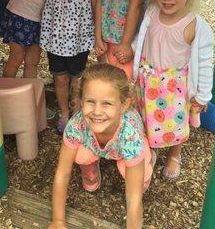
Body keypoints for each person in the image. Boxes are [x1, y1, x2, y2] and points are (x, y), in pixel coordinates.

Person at [133, 0, 213, 180]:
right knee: (148, 116)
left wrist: (203, 95)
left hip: (175, 88)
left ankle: (175, 153)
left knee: (177, 123)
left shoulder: (195, 25)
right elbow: (142, 39)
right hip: (148, 80)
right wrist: (130, 48)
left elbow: (204, 63)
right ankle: (152, 147)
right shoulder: (151, 12)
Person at [48, 63, 155, 229]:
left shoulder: (130, 137)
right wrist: (58, 221)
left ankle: (148, 159)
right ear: (81, 101)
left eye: (107, 103)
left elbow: (133, 199)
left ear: (124, 105)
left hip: (123, 150)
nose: (97, 111)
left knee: (135, 180)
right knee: (79, 155)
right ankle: (91, 169)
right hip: (95, 145)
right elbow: (62, 173)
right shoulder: (77, 124)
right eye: (90, 101)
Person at [39, 0, 100, 133]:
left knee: (77, 79)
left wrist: (98, 37)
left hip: (78, 42)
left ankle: (76, 113)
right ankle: (64, 113)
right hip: (55, 42)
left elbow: (97, 10)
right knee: (60, 78)